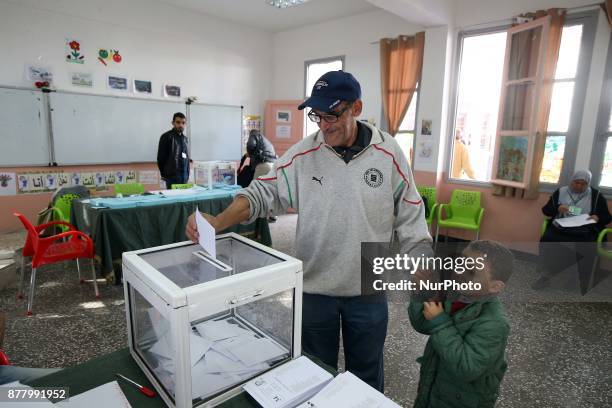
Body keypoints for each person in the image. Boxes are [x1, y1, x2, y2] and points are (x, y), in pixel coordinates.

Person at [186, 70, 432, 391]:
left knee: (367, 378)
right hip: (315, 287)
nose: (324, 124)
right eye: (317, 115)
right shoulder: (304, 155)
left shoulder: (389, 154)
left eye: (333, 114)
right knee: (315, 374)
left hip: (367, 289)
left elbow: (412, 218)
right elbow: (262, 193)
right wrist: (218, 221)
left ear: (356, 108)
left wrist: (424, 268)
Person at [409, 240, 514, 408]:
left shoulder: (495, 323)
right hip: (432, 388)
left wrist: (440, 321)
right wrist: (421, 292)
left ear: (495, 286)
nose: (459, 272)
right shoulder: (455, 294)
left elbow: (467, 367)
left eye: (471, 271)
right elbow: (422, 324)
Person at [534, 170, 611, 292]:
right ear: (572, 181)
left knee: (587, 245)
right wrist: (558, 208)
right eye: (576, 182)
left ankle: (577, 278)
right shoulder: (561, 192)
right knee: (548, 240)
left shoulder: (596, 196)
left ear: (588, 184)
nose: (579, 186)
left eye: (583, 184)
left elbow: (607, 217)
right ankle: (546, 275)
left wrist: (597, 217)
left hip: (583, 229)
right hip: (561, 227)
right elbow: (546, 210)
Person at [157, 112, 189, 189]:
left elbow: (186, 157)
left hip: (184, 177)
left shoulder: (185, 139)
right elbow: (161, 158)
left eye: (183, 123)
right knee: (174, 199)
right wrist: (164, 175)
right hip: (171, 178)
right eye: (178, 122)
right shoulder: (166, 136)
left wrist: (187, 174)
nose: (181, 125)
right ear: (173, 123)